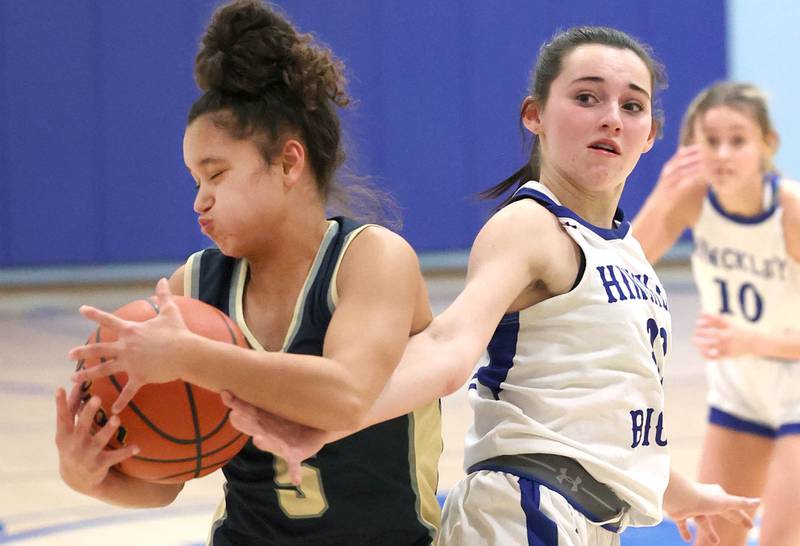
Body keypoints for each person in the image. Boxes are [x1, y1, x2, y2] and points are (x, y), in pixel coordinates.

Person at [221, 27, 761, 546]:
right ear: (535, 116)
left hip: (584, 519)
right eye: (587, 97)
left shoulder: (626, 250)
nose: (611, 119)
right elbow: (447, 346)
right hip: (524, 511)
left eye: (632, 106)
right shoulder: (529, 225)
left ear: (651, 135)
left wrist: (680, 492)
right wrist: (328, 422)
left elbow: (600, 409)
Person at [57, 1, 442, 545]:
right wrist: (89, 473)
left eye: (216, 175)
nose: (200, 201)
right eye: (194, 181)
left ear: (288, 162)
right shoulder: (194, 287)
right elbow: (164, 478)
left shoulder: (372, 258)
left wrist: (192, 357)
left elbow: (346, 395)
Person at [632, 81, 800, 546]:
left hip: (796, 386)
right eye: (710, 141)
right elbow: (626, 265)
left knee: (780, 540)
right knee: (713, 540)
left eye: (738, 140)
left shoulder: (790, 211)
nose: (723, 153)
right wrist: (664, 194)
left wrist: (752, 341)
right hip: (739, 391)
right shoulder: (693, 199)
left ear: (768, 145)